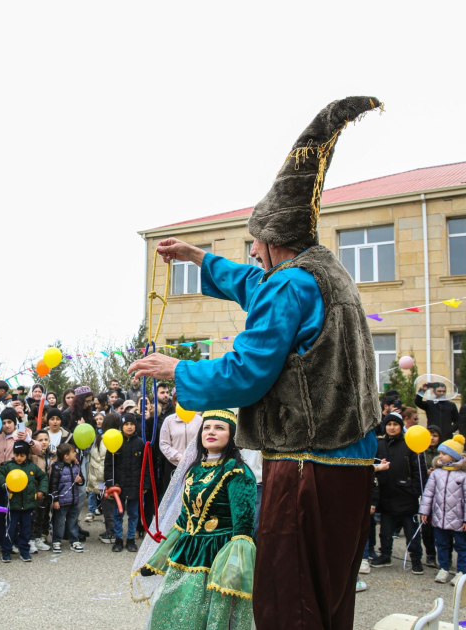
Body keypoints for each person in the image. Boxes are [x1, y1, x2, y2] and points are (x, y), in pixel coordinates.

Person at [129, 97, 383, 630]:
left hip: (308, 464)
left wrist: (177, 370)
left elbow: (247, 372)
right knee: (328, 595)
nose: (252, 256)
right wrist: (198, 257)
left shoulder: (290, 282)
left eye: (253, 246)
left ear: (269, 242)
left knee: (286, 598)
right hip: (350, 464)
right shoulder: (323, 273)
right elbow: (255, 284)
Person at [139, 409, 257, 630]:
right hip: (185, 552)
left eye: (219, 428)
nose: (211, 432)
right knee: (168, 609)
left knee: (202, 615)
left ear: (232, 435)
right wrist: (157, 559)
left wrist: (233, 570)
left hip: (216, 557)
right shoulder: (194, 470)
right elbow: (184, 521)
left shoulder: (237, 472)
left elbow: (243, 528)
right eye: (207, 427)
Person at [418, 435, 466, 586]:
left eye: (443, 453)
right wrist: (424, 512)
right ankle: (444, 567)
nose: (440, 456)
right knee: (442, 544)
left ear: (454, 455)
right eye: (440, 453)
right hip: (439, 518)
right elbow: (428, 493)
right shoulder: (436, 474)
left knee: (462, 545)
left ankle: (461, 571)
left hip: (459, 519)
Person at [371, 413, 426, 574]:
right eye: (389, 424)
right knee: (385, 530)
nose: (392, 427)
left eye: (395, 424)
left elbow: (419, 470)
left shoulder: (409, 444)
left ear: (400, 426)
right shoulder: (380, 445)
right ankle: (385, 555)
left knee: (411, 531)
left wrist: (414, 490)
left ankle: (416, 559)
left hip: (406, 495)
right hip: (386, 493)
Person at [0, 441, 47, 563]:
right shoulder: (8, 465)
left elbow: (43, 477)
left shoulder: (32, 467)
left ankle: (24, 551)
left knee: (26, 530)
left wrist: (42, 491)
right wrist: (5, 484)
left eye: (22, 455)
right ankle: (6, 551)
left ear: (27, 455)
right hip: (12, 505)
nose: (19, 458)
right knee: (9, 530)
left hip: (28, 505)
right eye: (17, 455)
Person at [104, 413, 147, 553]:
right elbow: (108, 464)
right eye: (126, 424)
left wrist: (145, 484)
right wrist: (110, 482)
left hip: (135, 484)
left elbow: (145, 465)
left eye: (132, 424)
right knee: (118, 513)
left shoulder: (140, 442)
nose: (129, 427)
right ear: (122, 426)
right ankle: (118, 539)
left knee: (134, 513)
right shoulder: (116, 441)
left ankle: (130, 539)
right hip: (119, 485)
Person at [49, 443, 85, 554]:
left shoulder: (76, 466)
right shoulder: (56, 467)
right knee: (59, 522)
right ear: (66, 456)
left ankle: (74, 540)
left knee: (73, 521)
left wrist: (80, 481)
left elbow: (81, 480)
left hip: (73, 499)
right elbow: (53, 485)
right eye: (73, 452)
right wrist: (55, 500)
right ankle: (56, 541)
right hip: (61, 501)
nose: (76, 454)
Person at [159, 408, 202, 498]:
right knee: (172, 496)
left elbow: (202, 442)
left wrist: (195, 456)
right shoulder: (169, 420)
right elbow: (163, 443)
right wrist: (178, 456)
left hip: (195, 464)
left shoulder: (199, 420)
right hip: (174, 464)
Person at [31, 429, 56, 551]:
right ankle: (34, 537)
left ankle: (42, 535)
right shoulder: (34, 455)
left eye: (46, 439)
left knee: (44, 514)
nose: (44, 442)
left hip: (48, 489)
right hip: (36, 489)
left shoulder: (52, 455)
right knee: (35, 515)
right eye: (40, 440)